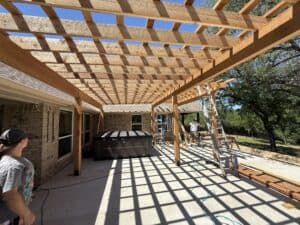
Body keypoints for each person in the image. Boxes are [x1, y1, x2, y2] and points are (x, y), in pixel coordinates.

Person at [0, 128, 35, 225]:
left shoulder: (11, 160)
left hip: (15, 214)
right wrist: (26, 215)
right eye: (26, 137)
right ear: (22, 141)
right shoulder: (13, 165)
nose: (27, 139)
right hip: (9, 218)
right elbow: (9, 194)